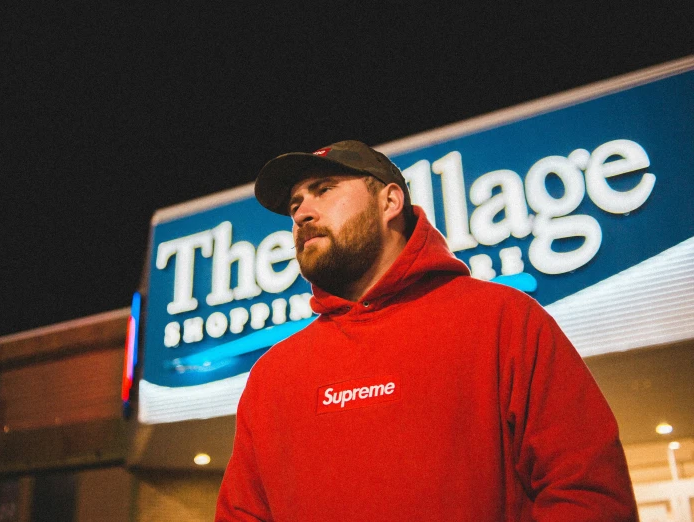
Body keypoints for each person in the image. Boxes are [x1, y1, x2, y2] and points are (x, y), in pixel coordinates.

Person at [215, 140, 638, 521]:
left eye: (324, 189)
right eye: (295, 205)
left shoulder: (503, 320)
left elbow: (589, 494)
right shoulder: (273, 375)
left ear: (390, 201)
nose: (303, 213)